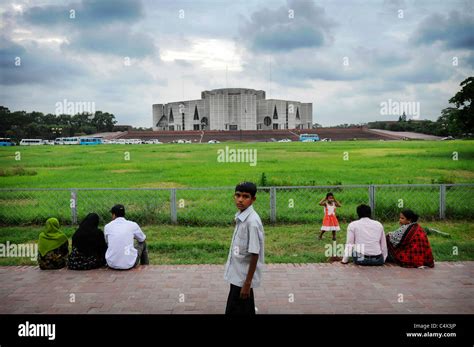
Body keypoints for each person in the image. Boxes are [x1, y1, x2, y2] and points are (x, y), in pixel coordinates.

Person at [224, 182, 265, 315]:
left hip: (242, 278)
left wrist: (247, 284)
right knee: (244, 309)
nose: (240, 200)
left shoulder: (252, 222)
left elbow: (255, 254)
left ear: (253, 199)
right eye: (238, 195)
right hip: (237, 275)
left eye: (245, 196)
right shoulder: (241, 217)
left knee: (234, 309)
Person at [104, 204, 149, 270]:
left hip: (111, 264)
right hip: (130, 263)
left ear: (113, 215)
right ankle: (145, 265)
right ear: (124, 214)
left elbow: (107, 242)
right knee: (143, 243)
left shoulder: (107, 226)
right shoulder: (133, 225)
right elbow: (142, 239)